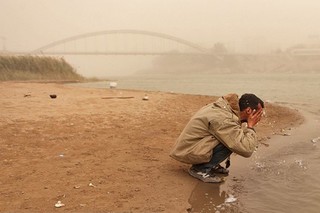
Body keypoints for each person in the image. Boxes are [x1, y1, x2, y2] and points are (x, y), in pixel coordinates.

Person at [170, 93, 264, 183]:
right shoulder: (224, 118)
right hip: (187, 151)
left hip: (189, 146)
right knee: (233, 141)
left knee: (234, 136)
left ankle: (210, 164)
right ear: (249, 111)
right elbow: (247, 150)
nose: (260, 116)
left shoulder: (226, 108)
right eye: (259, 113)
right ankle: (199, 169)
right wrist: (250, 126)